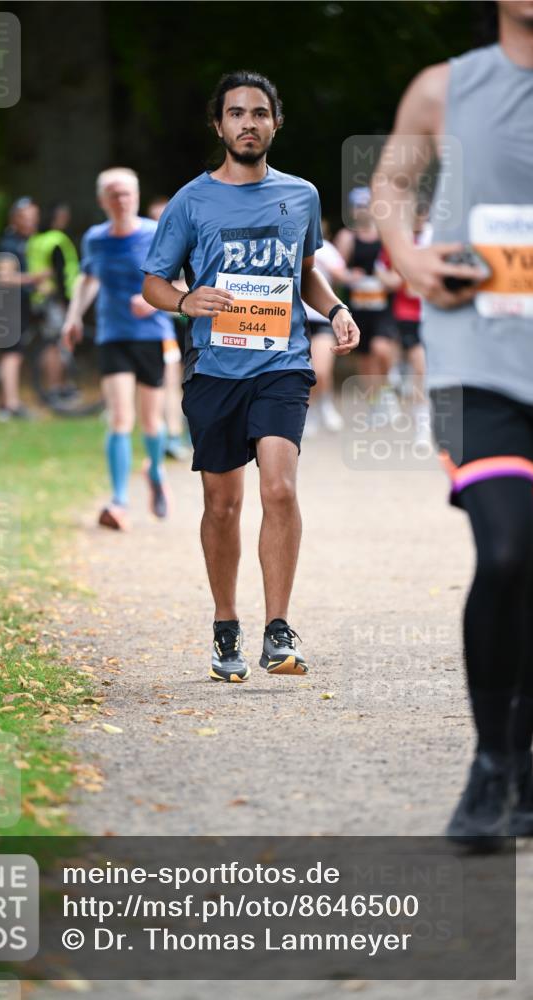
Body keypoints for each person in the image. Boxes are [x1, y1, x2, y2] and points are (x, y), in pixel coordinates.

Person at [373, 0, 533, 843]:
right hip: (478, 358)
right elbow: (392, 184)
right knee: (506, 548)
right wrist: (405, 254)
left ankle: (523, 768)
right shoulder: (442, 89)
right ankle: (491, 766)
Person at [142, 70, 359, 682]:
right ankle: (225, 623)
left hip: (282, 362)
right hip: (214, 368)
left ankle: (278, 629)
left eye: (259, 113)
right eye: (235, 113)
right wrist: (186, 302)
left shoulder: (301, 196)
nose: (248, 123)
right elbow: (153, 282)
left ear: (274, 122)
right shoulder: (191, 201)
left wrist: (337, 309)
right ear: (220, 125)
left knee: (281, 490)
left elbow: (306, 271)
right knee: (222, 505)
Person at [62, 168, 172, 531]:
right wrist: (73, 316)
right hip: (112, 336)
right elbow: (88, 277)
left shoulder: (157, 234)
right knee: (120, 418)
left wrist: (154, 301)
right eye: (113, 194)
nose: (121, 200)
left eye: (126, 193)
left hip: (151, 335)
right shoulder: (95, 239)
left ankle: (155, 471)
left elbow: (182, 281)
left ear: (136, 197)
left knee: (151, 421)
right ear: (102, 201)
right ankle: (119, 501)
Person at [335, 186, 400, 426]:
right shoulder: (347, 237)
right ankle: (376, 402)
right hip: (357, 306)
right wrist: (349, 276)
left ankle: (388, 389)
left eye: (367, 205)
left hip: (383, 306)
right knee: (364, 360)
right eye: (359, 206)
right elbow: (336, 271)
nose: (363, 210)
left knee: (381, 349)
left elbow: (398, 273)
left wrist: (388, 280)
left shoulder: (386, 236)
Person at [375, 205, 432, 447]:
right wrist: (395, 281)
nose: (419, 219)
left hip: (433, 312)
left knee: (422, 369)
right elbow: (382, 270)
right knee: (418, 365)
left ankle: (422, 422)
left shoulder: (436, 239)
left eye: (422, 214)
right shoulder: (399, 241)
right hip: (405, 312)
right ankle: (421, 424)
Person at [0, 197, 51, 420]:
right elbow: (3, 277)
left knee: (13, 353)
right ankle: (10, 405)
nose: (30, 223)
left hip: (21, 305)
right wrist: (34, 279)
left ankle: (5, 400)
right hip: (8, 306)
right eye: (25, 218)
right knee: (12, 355)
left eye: (33, 218)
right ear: (14, 219)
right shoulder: (8, 244)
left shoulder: (28, 242)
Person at [147, 195, 191, 461]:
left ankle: (186, 431)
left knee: (190, 382)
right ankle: (173, 435)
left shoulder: (186, 242)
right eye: (154, 218)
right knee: (170, 380)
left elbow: (194, 284)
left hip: (190, 324)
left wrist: (174, 297)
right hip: (162, 327)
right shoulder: (145, 246)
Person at [27, 201, 80, 404]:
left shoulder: (35, 240)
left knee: (49, 344)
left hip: (39, 299)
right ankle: (57, 388)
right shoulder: (57, 240)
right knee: (58, 344)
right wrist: (67, 302)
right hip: (54, 300)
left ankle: (52, 387)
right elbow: (60, 274)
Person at [301, 219, 347, 437]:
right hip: (294, 318)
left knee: (321, 369)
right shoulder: (289, 245)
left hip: (321, 318)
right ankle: (308, 412)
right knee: (305, 371)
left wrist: (319, 264)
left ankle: (325, 403)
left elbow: (341, 275)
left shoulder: (327, 250)